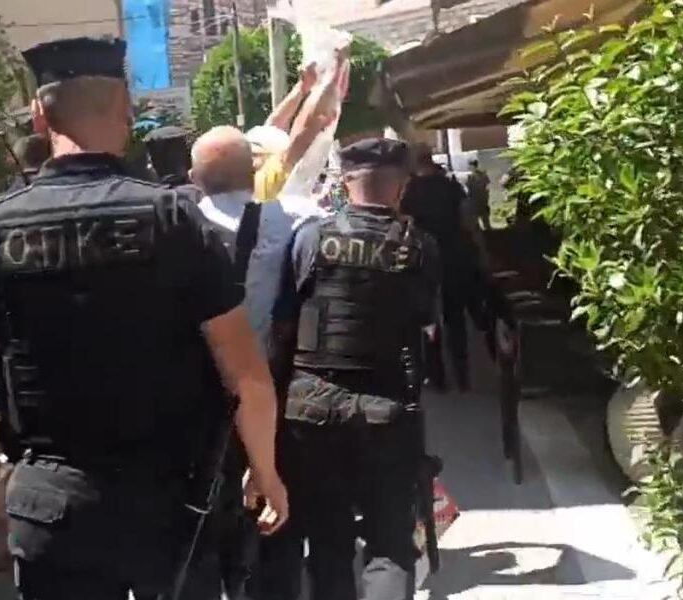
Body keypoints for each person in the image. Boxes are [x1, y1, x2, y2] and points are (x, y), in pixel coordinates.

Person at [0, 37, 288, 600]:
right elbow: (249, 379)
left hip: (52, 507)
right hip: (172, 508)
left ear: (39, 115)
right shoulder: (172, 218)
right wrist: (264, 471)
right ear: (126, 109)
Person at [260, 138, 441, 600]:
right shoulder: (419, 247)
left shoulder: (311, 238)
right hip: (386, 411)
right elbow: (424, 327)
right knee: (390, 546)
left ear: (344, 182)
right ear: (402, 187)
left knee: (327, 543)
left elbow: (282, 329)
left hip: (311, 411)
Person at [178, 125, 267, 599]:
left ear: (195, 178)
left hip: (198, 397)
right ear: (253, 173)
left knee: (205, 516)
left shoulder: (175, 230)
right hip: (272, 390)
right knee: (267, 516)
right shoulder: (294, 222)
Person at [401, 146, 477, 392]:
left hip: (423, 260)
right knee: (456, 317)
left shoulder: (410, 190)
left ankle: (436, 376)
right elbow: (468, 220)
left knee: (428, 318)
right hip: (454, 256)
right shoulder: (451, 186)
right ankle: (462, 373)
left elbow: (403, 225)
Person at [250, 53, 350, 202]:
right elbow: (307, 127)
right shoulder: (266, 186)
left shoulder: (240, 178)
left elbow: (273, 125)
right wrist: (334, 74)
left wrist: (302, 88)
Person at [465, 159, 491, 231]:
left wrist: (486, 197)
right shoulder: (471, 176)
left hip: (479, 200)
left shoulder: (479, 176)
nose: (469, 168)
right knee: (478, 220)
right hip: (476, 200)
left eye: (470, 166)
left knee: (483, 219)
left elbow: (487, 187)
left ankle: (487, 232)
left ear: (474, 166)